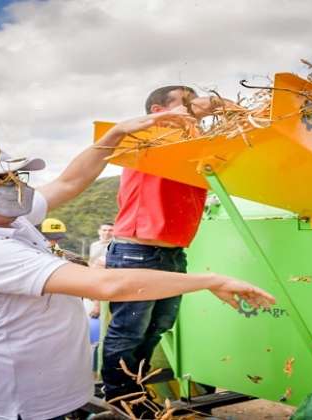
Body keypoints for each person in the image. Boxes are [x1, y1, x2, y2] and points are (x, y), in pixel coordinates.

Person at [0, 108, 274, 420]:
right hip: (18, 404)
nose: (13, 186)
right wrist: (210, 280)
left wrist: (114, 136)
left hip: (51, 393)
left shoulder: (4, 218)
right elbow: (107, 285)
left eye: (15, 176)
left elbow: (69, 182)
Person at [102, 86, 230, 400]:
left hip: (172, 254)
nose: (194, 107)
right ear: (160, 112)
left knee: (157, 327)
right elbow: (209, 106)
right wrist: (212, 104)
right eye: (185, 101)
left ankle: (137, 388)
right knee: (129, 331)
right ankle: (119, 395)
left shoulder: (191, 149)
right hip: (137, 252)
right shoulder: (150, 138)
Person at [87, 223, 114, 319]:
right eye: (104, 230)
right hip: (94, 274)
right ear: (99, 231)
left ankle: (97, 308)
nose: (107, 232)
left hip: (109, 275)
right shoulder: (94, 245)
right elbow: (91, 260)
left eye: (110, 230)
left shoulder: (116, 245)